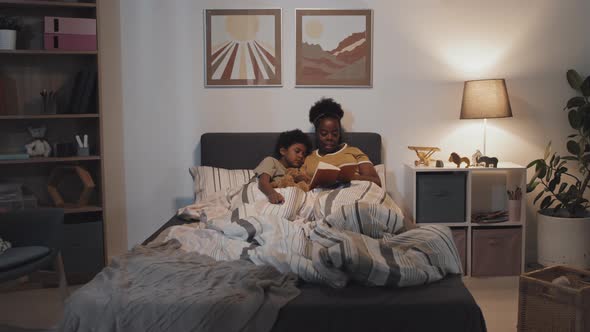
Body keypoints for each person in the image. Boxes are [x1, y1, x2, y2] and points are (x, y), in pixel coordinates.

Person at [301, 98, 381, 187]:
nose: (330, 138)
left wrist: (351, 177)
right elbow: (301, 183)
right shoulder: (309, 158)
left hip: (352, 192)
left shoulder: (354, 151)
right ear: (316, 133)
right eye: (324, 134)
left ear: (339, 134)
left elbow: (377, 182)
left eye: (335, 134)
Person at [254, 129, 312, 204]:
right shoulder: (271, 161)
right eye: (297, 151)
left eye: (304, 154)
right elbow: (262, 182)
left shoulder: (296, 172)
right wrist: (271, 194)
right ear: (283, 151)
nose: (301, 156)